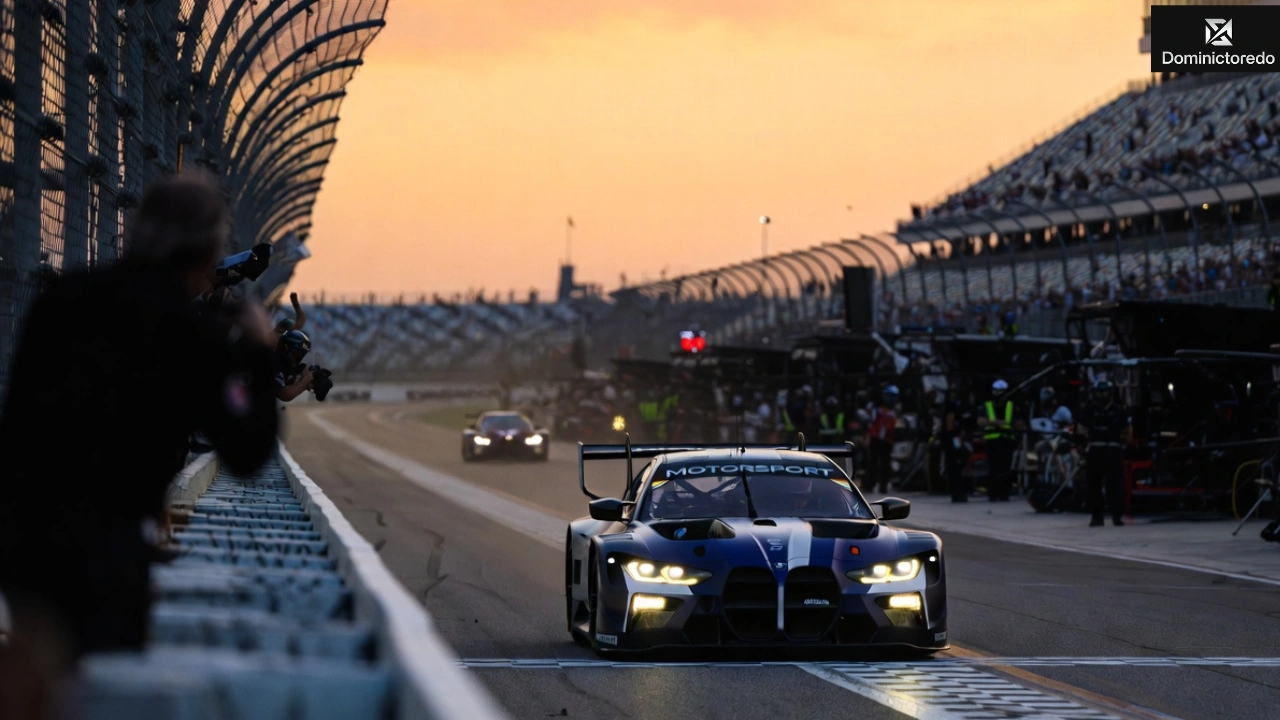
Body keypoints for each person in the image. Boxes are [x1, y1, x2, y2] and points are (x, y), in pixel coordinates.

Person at [0, 172, 280, 705]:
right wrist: (260, 354)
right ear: (209, 252)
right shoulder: (191, 333)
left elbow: (18, 425)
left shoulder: (64, 297)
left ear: (136, 233)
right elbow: (247, 452)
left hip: (24, 540)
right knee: (100, 694)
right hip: (107, 555)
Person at [1078, 379, 1130, 527]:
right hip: (1095, 451)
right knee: (1093, 485)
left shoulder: (1118, 411)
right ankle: (1097, 517)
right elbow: (1081, 431)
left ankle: (1116, 516)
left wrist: (1123, 444)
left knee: (1115, 486)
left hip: (1113, 452)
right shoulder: (1089, 410)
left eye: (1104, 392)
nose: (1102, 395)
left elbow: (1127, 431)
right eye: (1099, 392)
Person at [978, 379, 1016, 501]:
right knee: (993, 468)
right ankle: (993, 494)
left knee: (1005, 468)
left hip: (1007, 440)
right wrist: (995, 422)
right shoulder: (987, 405)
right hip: (992, 441)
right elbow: (980, 421)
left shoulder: (1011, 405)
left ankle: (1004, 494)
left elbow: (1019, 422)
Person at [867, 385, 898, 494]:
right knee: (873, 462)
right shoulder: (875, 409)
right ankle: (870, 484)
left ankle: (883, 486)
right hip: (876, 438)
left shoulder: (892, 412)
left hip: (887, 440)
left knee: (885, 463)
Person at [273, 330, 316, 402]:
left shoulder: (286, 362)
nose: (301, 359)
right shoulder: (274, 362)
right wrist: (306, 379)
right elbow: (285, 394)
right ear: (286, 348)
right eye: (298, 354)